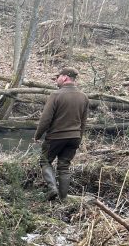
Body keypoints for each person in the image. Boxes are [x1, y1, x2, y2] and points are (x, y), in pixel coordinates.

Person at [34, 67, 89, 200]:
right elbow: (83, 122)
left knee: (45, 161)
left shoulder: (56, 95)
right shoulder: (84, 97)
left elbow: (45, 119)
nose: (56, 80)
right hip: (74, 137)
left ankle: (52, 189)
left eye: (57, 77)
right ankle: (63, 198)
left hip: (56, 137)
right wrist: (78, 138)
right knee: (64, 167)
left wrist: (37, 135)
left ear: (64, 77)